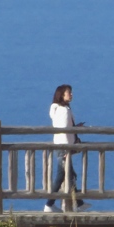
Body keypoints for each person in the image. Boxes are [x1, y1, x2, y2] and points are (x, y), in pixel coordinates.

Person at [44, 84, 88, 212]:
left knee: (68, 175)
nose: (71, 94)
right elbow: (64, 130)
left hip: (61, 146)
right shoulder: (63, 110)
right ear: (62, 95)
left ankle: (79, 203)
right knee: (62, 176)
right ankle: (49, 204)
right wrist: (67, 149)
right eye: (69, 92)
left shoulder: (58, 109)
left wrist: (75, 127)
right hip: (64, 147)